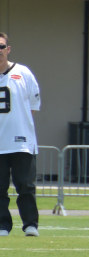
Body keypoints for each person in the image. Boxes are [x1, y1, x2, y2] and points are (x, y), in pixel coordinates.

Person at [0, 31, 41, 237]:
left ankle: (30, 224)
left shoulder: (23, 72)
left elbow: (32, 106)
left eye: (1, 47)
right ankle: (2, 225)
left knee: (25, 186)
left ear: (8, 49)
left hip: (21, 142)